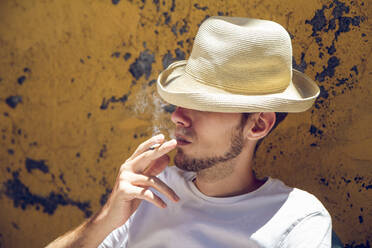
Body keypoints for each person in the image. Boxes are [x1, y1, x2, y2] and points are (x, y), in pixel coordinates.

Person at [46, 16, 332, 248]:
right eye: (182, 101)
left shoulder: (296, 219)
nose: (177, 116)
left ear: (257, 125)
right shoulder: (151, 190)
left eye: (204, 105)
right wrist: (107, 217)